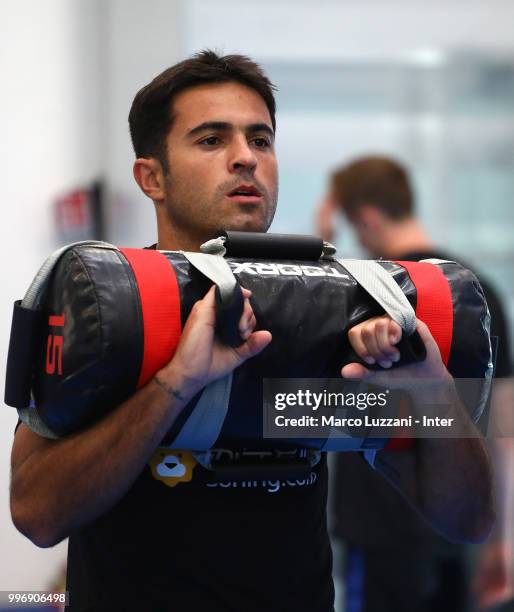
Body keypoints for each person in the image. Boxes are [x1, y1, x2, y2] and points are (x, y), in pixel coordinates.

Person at [10, 53, 493, 612]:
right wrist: (175, 385)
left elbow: (467, 518)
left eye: (260, 140)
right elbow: (37, 513)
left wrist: (430, 388)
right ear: (152, 178)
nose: (246, 158)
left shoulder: (329, 318)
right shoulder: (110, 317)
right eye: (212, 140)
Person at [316, 155, 513, 612]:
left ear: (364, 219)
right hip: (458, 521)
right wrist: (502, 539)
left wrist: (324, 243)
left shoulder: (365, 294)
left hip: (381, 529)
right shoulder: (475, 290)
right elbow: (505, 431)